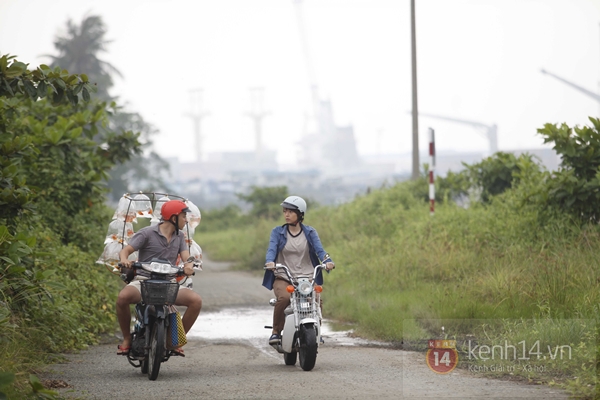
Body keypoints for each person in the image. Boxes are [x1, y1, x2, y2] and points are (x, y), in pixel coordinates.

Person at [116, 200, 203, 356]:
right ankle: (127, 339)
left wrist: (189, 266)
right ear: (174, 218)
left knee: (196, 301)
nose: (186, 220)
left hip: (169, 283)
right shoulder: (146, 233)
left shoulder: (180, 237)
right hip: (144, 280)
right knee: (122, 298)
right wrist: (124, 260)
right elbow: (126, 251)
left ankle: (173, 340)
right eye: (183, 216)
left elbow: (186, 257)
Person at [262, 195, 335, 345]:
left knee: (315, 299)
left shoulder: (310, 232)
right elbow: (271, 249)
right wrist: (270, 262)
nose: (286, 215)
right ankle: (276, 331)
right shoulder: (278, 232)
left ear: (300, 214)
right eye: (284, 211)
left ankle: (317, 332)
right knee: (284, 298)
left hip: (307, 277)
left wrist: (327, 261)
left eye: (290, 211)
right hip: (284, 276)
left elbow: (320, 251)